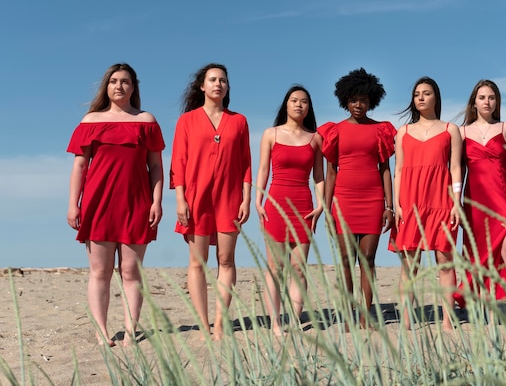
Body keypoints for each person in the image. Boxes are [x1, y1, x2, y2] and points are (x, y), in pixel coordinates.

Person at [67, 63, 165, 346]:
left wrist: (157, 201)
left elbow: (156, 166)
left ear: (134, 87)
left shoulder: (147, 120)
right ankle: (101, 331)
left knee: (132, 272)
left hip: (137, 202)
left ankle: (131, 331)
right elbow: (80, 166)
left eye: (125, 81)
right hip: (98, 202)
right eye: (113, 81)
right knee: (100, 271)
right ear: (106, 87)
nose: (119, 86)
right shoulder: (90, 121)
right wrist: (73, 204)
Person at [170, 63, 252, 340]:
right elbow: (178, 163)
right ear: (202, 86)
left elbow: (245, 163)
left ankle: (220, 322)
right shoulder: (187, 121)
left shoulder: (239, 121)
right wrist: (180, 199)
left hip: (230, 197)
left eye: (223, 81)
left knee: (226, 260)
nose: (218, 84)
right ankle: (202, 324)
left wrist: (246, 197)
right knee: (198, 262)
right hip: (196, 197)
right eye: (213, 80)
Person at [317, 68, 396, 329]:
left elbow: (385, 169)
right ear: (345, 101)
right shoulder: (335, 131)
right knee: (345, 260)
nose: (358, 105)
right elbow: (330, 172)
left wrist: (389, 206)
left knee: (368, 260)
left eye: (363, 100)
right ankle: (349, 312)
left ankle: (366, 314)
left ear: (371, 100)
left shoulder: (381, 130)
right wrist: (327, 209)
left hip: (373, 200)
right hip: (343, 201)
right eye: (353, 100)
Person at [389, 77, 462, 331]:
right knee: (409, 264)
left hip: (441, 201)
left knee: (445, 260)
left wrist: (456, 202)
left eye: (426, 93)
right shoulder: (403, 132)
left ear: (435, 98)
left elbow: (455, 168)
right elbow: (397, 170)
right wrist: (397, 204)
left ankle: (447, 319)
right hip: (410, 202)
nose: (420, 97)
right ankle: (407, 320)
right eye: (417, 94)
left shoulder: (450, 129)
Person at [453, 79, 506, 326]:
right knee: (479, 255)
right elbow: (457, 170)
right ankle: (488, 312)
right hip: (474, 200)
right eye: (482, 97)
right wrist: (456, 203)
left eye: (491, 97)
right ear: (474, 101)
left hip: (504, 197)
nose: (487, 101)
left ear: (497, 102)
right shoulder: (461, 132)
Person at [255, 85, 324, 336]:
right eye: (294, 100)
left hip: (303, 204)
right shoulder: (270, 134)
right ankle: (275, 323)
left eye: (304, 101)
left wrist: (320, 204)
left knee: (298, 267)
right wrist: (258, 201)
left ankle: (294, 320)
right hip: (275, 201)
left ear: (309, 107)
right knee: (275, 267)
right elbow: (263, 170)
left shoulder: (315, 138)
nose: (298, 105)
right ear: (286, 104)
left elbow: (319, 176)